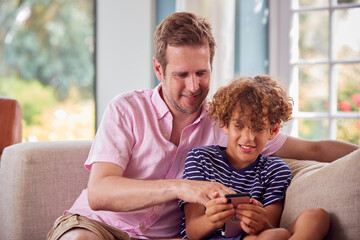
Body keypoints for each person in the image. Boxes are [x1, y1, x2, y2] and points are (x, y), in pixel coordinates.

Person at [47, 12, 358, 240]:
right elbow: (99, 192)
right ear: (159, 68)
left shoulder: (227, 122)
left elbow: (314, 148)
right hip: (96, 226)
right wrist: (182, 187)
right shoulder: (126, 109)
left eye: (202, 73)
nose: (194, 86)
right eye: (181, 75)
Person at [179, 75, 330, 240]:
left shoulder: (276, 170)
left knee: (317, 217)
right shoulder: (200, 159)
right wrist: (212, 218)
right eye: (239, 126)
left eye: (258, 128)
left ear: (273, 131)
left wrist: (260, 221)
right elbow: (192, 231)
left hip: (257, 236)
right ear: (224, 124)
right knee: (276, 235)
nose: (248, 137)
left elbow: (270, 227)